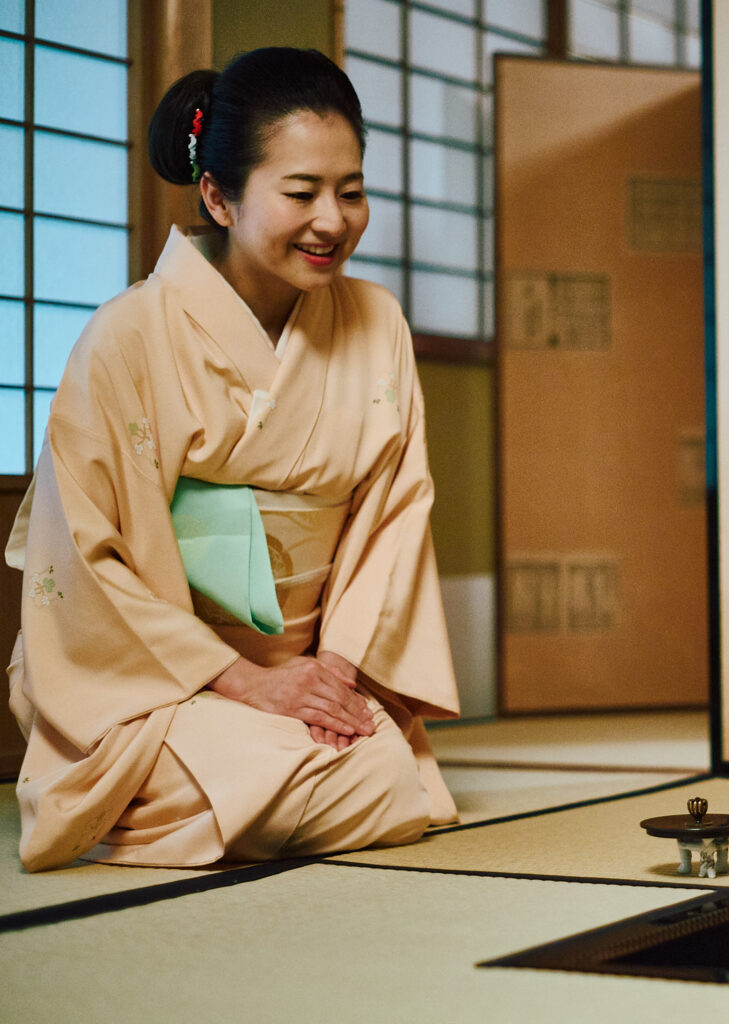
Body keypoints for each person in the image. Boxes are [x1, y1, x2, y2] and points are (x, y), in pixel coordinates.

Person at [6, 47, 459, 872]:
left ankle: (237, 792)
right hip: (169, 688)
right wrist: (243, 683)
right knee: (315, 772)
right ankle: (192, 781)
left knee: (388, 777)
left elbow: (394, 514)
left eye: (351, 192)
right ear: (217, 195)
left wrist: (332, 674)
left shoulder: (377, 321)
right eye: (301, 193)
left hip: (317, 684)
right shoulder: (127, 336)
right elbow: (84, 555)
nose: (333, 220)